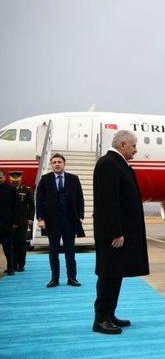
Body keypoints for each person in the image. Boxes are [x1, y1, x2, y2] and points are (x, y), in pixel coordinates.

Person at [93, 130, 150, 335]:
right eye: (134, 145)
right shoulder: (109, 164)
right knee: (108, 274)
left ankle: (109, 314)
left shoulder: (117, 163)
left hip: (119, 233)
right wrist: (115, 232)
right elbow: (108, 203)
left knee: (115, 274)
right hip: (113, 235)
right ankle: (100, 319)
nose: (136, 149)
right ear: (123, 144)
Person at [36, 153, 84, 288]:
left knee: (70, 251)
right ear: (51, 165)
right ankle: (54, 279)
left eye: (59, 162)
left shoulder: (74, 179)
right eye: (54, 162)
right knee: (53, 252)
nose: (57, 164)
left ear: (64, 164)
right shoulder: (45, 179)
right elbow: (39, 200)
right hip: (52, 222)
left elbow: (80, 198)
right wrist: (40, 218)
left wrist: (80, 217)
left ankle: (72, 278)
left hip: (69, 221)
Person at [9, 171, 35, 272]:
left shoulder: (26, 190)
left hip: (22, 222)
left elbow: (31, 206)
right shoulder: (6, 189)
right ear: (10, 180)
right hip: (9, 222)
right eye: (13, 181)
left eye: (17, 181)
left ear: (20, 180)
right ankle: (12, 265)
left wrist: (30, 218)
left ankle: (21, 264)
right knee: (11, 244)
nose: (15, 182)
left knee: (21, 243)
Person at [0, 170, 19, 275]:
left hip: (6, 225)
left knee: (8, 249)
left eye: (0, 177)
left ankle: (10, 268)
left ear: (4, 177)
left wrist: (15, 222)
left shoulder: (11, 189)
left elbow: (17, 207)